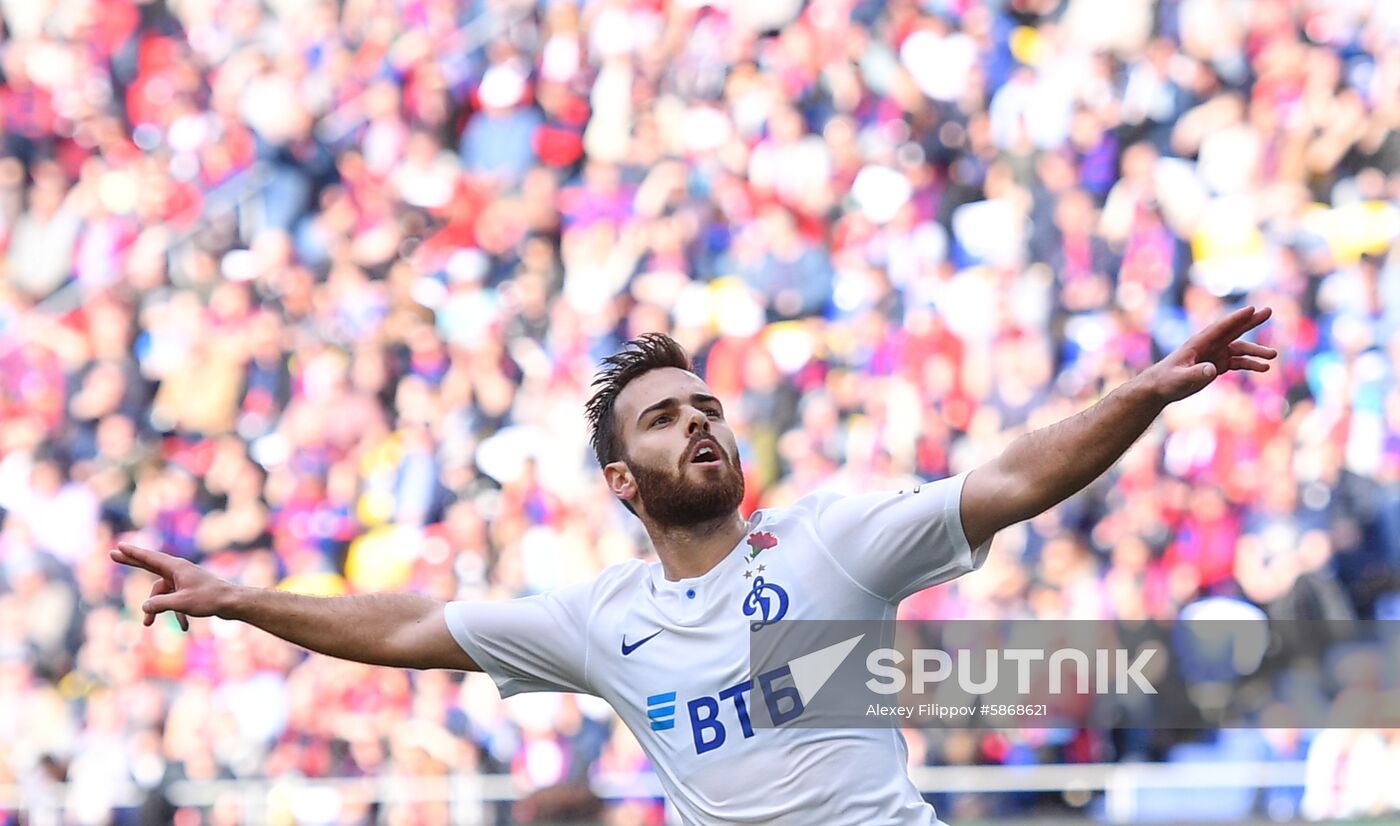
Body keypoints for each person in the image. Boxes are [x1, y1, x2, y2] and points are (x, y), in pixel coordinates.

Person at [113, 306, 1277, 824]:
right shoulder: (596, 617)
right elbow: (413, 631)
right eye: (665, 418)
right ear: (623, 482)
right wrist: (235, 601)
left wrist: (1137, 392)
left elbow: (1014, 480)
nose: (699, 423)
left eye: (706, 405)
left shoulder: (831, 540)